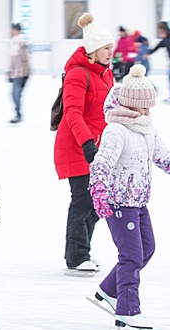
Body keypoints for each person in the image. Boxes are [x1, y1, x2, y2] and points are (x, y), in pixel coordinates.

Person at [89, 63, 170, 330]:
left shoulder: (146, 128)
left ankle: (110, 290)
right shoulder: (116, 131)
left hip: (139, 202)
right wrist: (99, 193)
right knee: (131, 256)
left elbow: (165, 158)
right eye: (144, 106)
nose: (149, 111)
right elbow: (102, 164)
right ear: (131, 104)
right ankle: (128, 310)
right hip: (118, 203)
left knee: (146, 249)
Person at [53, 13, 114, 276]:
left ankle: (82, 250)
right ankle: (76, 256)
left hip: (99, 145)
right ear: (93, 50)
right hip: (77, 145)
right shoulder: (78, 74)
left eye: (112, 48)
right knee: (83, 200)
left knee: (98, 199)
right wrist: (88, 144)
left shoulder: (105, 74)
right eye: (106, 48)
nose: (111, 53)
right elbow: (73, 113)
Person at [146, 21, 170, 103]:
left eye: (161, 31)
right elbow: (158, 46)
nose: (160, 33)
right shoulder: (166, 39)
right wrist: (148, 53)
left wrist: (164, 38)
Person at [8, 23, 30, 124]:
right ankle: (18, 114)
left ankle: (18, 115)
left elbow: (24, 59)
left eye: (14, 30)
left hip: (21, 73)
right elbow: (13, 60)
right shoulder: (14, 42)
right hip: (15, 73)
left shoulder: (21, 42)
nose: (13, 31)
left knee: (15, 94)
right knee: (15, 94)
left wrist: (25, 73)